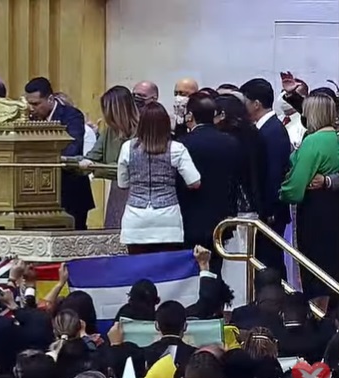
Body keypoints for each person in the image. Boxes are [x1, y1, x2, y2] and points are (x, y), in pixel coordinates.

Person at [280, 94, 339, 311]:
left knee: (315, 268)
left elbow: (295, 187)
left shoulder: (313, 142)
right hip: (333, 206)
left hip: (315, 211)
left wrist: (281, 193)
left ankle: (318, 315)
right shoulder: (335, 138)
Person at [117, 102, 200, 254]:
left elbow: (122, 184)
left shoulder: (127, 148)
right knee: (167, 267)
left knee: (138, 265)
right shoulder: (176, 149)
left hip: (135, 219)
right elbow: (194, 182)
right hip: (168, 218)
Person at [177, 92, 241, 273]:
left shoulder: (183, 144)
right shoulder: (231, 142)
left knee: (190, 273)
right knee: (216, 270)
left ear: (190, 115)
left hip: (189, 218)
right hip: (221, 218)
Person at [24, 77, 94, 230]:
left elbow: (72, 147)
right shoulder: (29, 118)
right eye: (29, 104)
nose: (31, 108)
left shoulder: (72, 116)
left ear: (50, 99)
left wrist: (42, 157)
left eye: (36, 104)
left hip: (70, 191)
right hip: (39, 195)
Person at [240, 78, 291, 279]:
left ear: (256, 104)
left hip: (271, 212)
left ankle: (277, 296)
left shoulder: (273, 131)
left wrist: (269, 209)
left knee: (271, 260)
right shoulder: (263, 129)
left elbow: (274, 173)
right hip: (267, 209)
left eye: (245, 102)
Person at [82, 85, 140, 228]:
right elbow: (93, 156)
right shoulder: (109, 131)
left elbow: (128, 168)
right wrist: (67, 160)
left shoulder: (142, 131)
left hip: (137, 194)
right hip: (117, 192)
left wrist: (95, 169)